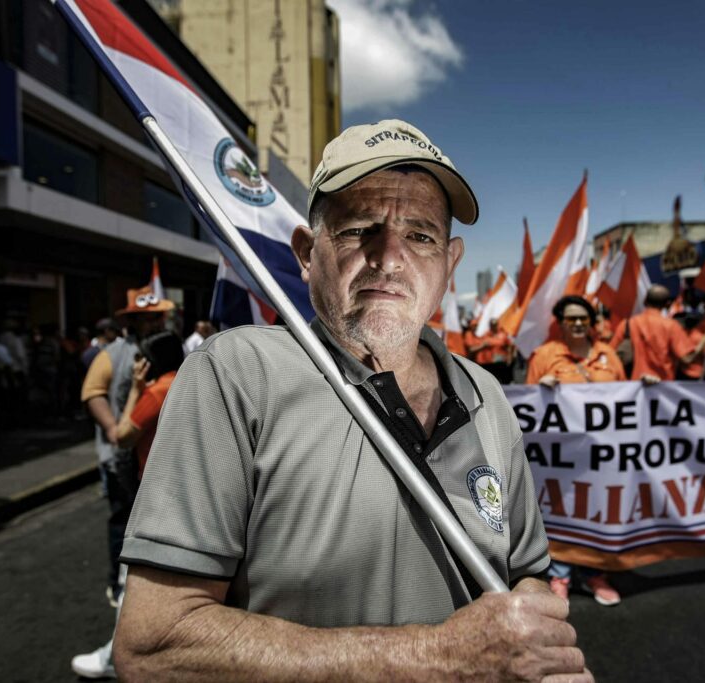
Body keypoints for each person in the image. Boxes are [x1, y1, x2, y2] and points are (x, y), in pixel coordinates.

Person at [113, 120, 590, 682]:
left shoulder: (486, 393)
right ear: (306, 253)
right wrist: (437, 659)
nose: (389, 259)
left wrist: (539, 648)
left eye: (421, 236)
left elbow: (525, 573)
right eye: (359, 228)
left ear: (450, 264)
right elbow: (152, 648)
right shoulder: (236, 373)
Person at [71, 331, 184, 680]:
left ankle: (117, 656)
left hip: (155, 492)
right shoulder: (190, 381)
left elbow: (122, 434)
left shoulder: (157, 390)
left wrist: (136, 388)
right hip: (183, 488)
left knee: (132, 577)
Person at [526, 295, 624, 606]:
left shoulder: (608, 354)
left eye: (584, 318)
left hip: (603, 456)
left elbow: (626, 397)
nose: (579, 323)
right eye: (571, 319)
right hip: (561, 459)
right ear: (561, 322)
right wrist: (540, 389)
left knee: (599, 512)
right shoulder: (544, 355)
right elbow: (526, 410)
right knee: (562, 513)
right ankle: (560, 574)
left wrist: (649, 390)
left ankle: (595, 573)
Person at [81, 287, 173, 609]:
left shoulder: (164, 348)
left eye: (158, 316)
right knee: (124, 521)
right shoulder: (114, 353)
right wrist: (111, 428)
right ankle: (120, 586)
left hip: (153, 456)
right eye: (147, 318)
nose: (155, 323)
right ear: (134, 321)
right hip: (123, 454)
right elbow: (93, 391)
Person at [610, 284, 705, 382]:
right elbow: (687, 358)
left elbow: (611, 354)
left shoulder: (627, 324)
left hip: (636, 385)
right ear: (667, 304)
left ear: (645, 301)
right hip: (663, 385)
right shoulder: (671, 326)